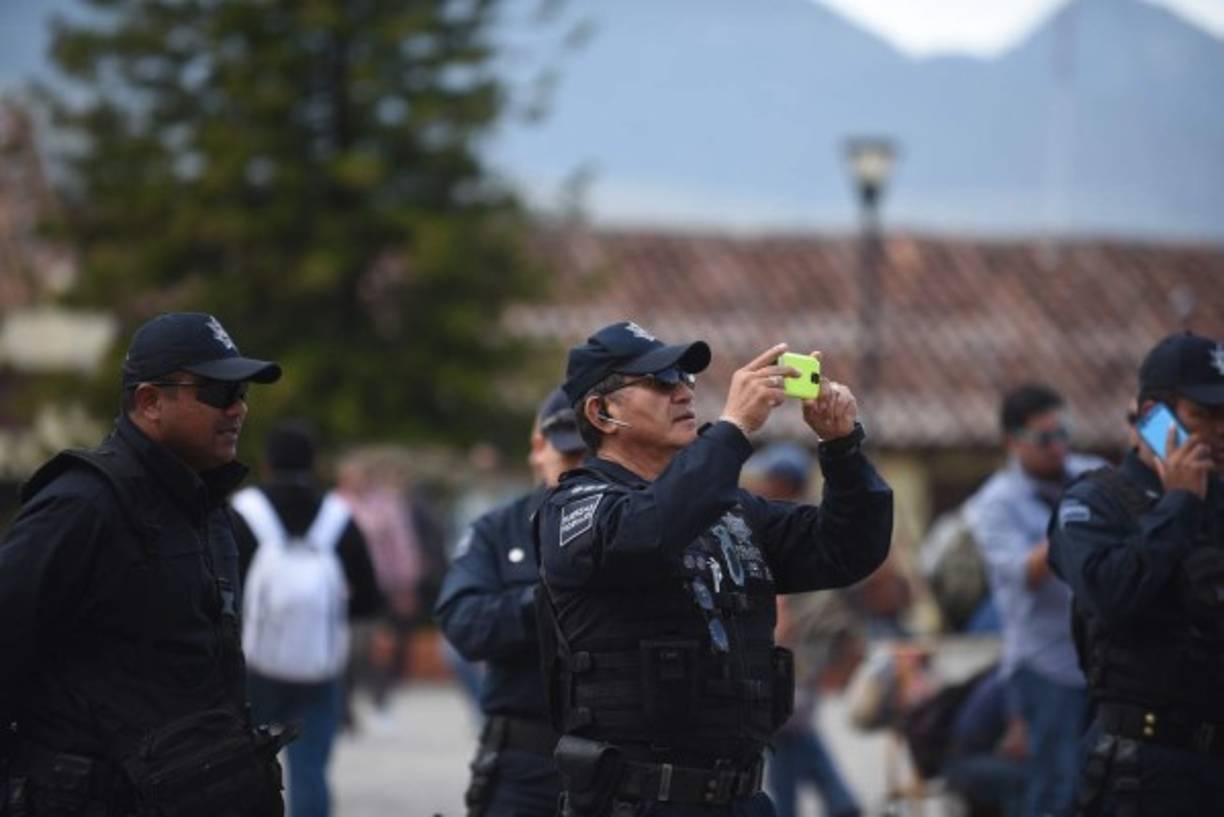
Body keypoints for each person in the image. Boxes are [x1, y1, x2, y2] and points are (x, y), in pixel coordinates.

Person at [533, 321, 894, 817]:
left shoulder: (731, 509)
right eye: (660, 382)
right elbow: (649, 533)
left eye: (686, 379)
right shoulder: (579, 508)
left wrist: (842, 448)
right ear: (602, 411)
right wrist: (731, 431)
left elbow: (848, 548)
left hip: (741, 798)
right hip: (640, 802)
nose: (682, 391)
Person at [0, 312, 289, 816]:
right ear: (150, 402)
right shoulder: (84, 504)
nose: (239, 409)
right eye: (219, 393)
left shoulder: (203, 507)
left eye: (243, 392)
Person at [1049, 331, 1224, 815]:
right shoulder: (1095, 502)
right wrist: (1181, 504)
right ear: (1154, 417)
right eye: (1203, 415)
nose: (1219, 430)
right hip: (1143, 768)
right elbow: (1110, 591)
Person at [435, 388, 587, 817]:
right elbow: (462, 623)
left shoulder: (637, 527)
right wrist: (551, 600)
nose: (583, 474)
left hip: (622, 766)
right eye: (572, 459)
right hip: (528, 762)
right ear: (539, 450)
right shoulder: (500, 530)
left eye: (593, 460)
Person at [229, 421, 382, 817]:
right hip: (319, 665)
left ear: (266, 462)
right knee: (310, 769)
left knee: (245, 767)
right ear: (314, 464)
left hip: (254, 662)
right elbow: (367, 599)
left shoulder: (243, 512)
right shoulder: (337, 517)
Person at [963, 384, 1101, 817]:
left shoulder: (1092, 475)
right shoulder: (993, 504)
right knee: (1054, 790)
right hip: (1045, 667)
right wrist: (1073, 519)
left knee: (1106, 785)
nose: (1059, 446)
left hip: (1102, 661)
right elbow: (1026, 573)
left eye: (1065, 432)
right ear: (1012, 441)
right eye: (1044, 438)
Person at [743, 443, 862, 817]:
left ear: (783, 482)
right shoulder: (798, 520)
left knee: (786, 735)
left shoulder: (800, 527)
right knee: (793, 737)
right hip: (800, 662)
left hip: (800, 661)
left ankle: (825, 803)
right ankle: (841, 802)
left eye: (767, 479)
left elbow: (809, 614)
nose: (759, 485)